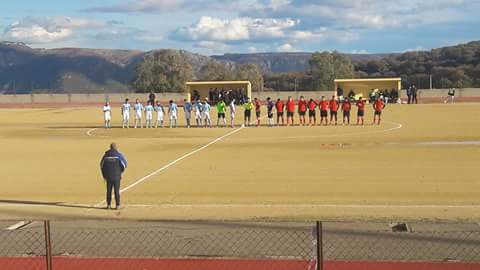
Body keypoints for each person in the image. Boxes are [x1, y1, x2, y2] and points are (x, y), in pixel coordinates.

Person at [100, 143, 127, 210]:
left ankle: (108, 205)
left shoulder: (105, 155)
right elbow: (124, 164)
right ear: (116, 148)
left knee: (108, 191)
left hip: (108, 176)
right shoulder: (119, 155)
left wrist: (104, 175)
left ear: (110, 147)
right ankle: (117, 205)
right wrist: (120, 171)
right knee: (116, 191)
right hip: (116, 176)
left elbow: (101, 165)